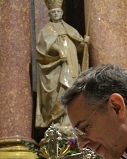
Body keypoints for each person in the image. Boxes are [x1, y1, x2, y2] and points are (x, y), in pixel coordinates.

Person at [35, 0, 89, 132]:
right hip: (56, 69)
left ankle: (70, 122)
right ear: (49, 14)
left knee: (72, 91)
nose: (56, 14)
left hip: (71, 68)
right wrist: (58, 49)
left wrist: (84, 43)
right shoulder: (46, 30)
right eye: (53, 12)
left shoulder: (70, 29)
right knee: (57, 94)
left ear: (62, 13)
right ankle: (57, 122)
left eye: (58, 11)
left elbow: (79, 49)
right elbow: (43, 48)